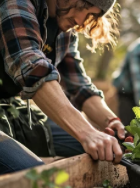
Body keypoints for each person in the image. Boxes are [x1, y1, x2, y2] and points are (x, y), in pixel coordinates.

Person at [0, 0, 125, 175]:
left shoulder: (65, 33)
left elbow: (80, 87)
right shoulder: (18, 3)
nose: (81, 20)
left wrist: (112, 122)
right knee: (36, 176)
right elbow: (30, 65)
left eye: (91, 15)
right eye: (83, 6)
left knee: (105, 151)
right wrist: (86, 132)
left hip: (10, 110)